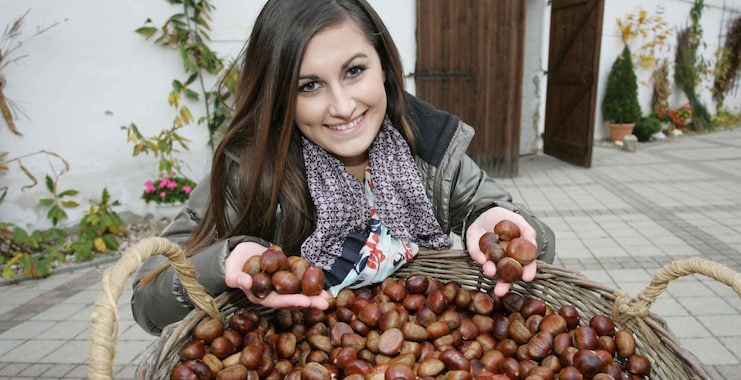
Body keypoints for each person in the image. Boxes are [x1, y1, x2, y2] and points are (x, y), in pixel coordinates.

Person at [131, 0, 555, 335]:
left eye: (354, 71)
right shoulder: (252, 171)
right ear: (280, 95)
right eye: (309, 85)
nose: (342, 106)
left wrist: (503, 222)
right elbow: (147, 302)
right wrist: (224, 263)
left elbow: (528, 240)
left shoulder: (429, 147)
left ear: (384, 67)